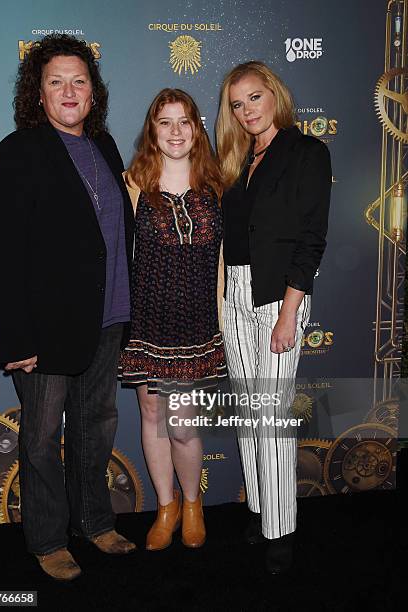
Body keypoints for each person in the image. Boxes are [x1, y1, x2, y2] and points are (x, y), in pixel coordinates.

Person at [0, 34, 136, 581]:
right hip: (44, 331)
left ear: (93, 93)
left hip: (109, 318)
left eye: (79, 81)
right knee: (42, 439)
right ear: (38, 95)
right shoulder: (18, 153)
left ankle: (95, 521)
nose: (69, 90)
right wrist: (15, 340)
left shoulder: (107, 148)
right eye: (56, 81)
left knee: (97, 429)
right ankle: (46, 539)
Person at [216, 61, 331, 573]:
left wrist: (289, 314)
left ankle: (281, 529)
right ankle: (262, 507)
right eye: (237, 104)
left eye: (254, 98)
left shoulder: (307, 152)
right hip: (236, 296)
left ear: (274, 95)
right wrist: (221, 299)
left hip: (279, 297)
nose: (246, 111)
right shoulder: (237, 159)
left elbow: (310, 240)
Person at [118, 88, 226, 551]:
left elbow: (229, 261)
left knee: (182, 425)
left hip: (198, 324)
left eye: (185, 121)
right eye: (166, 122)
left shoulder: (218, 184)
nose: (176, 131)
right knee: (150, 413)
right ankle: (166, 507)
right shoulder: (133, 182)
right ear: (153, 130)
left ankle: (193, 501)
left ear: (197, 128)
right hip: (147, 321)